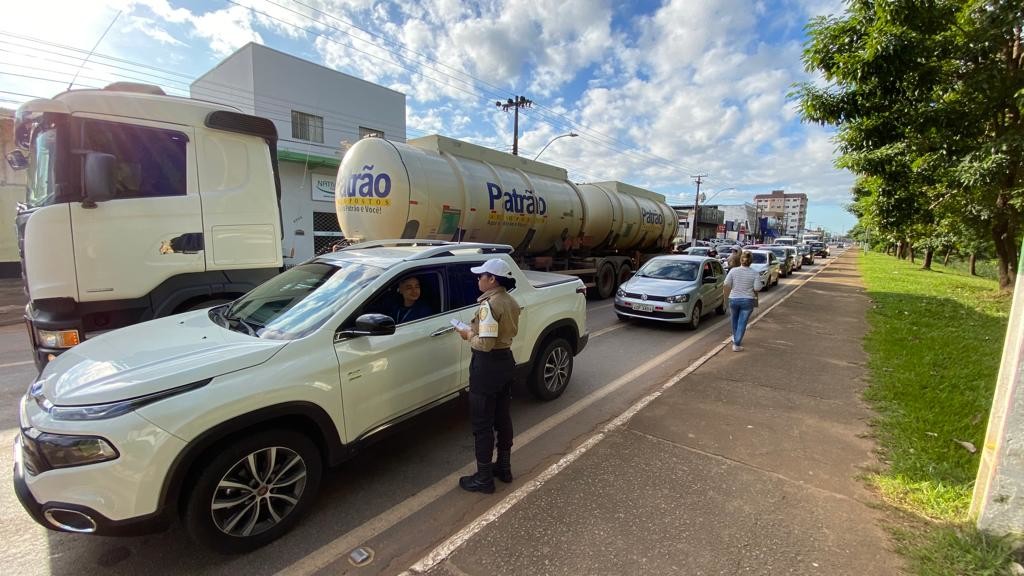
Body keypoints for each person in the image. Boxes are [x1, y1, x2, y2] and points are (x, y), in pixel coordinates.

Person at [454, 258, 521, 493]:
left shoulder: (489, 305)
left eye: (481, 275)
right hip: (505, 362)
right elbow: (502, 333)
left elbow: (485, 344)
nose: (478, 279)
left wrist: (467, 335)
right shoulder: (510, 301)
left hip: (487, 367)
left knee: (482, 424)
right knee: (503, 417)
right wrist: (475, 330)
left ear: (492, 279)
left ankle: (484, 479)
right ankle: (503, 467)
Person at [723, 251, 763, 352]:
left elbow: (726, 283)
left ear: (741, 260)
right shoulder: (755, 273)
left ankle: (735, 337)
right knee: (742, 322)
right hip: (747, 300)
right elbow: (757, 288)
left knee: (734, 320)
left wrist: (735, 287)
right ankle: (736, 344)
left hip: (734, 299)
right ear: (751, 261)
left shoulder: (733, 271)